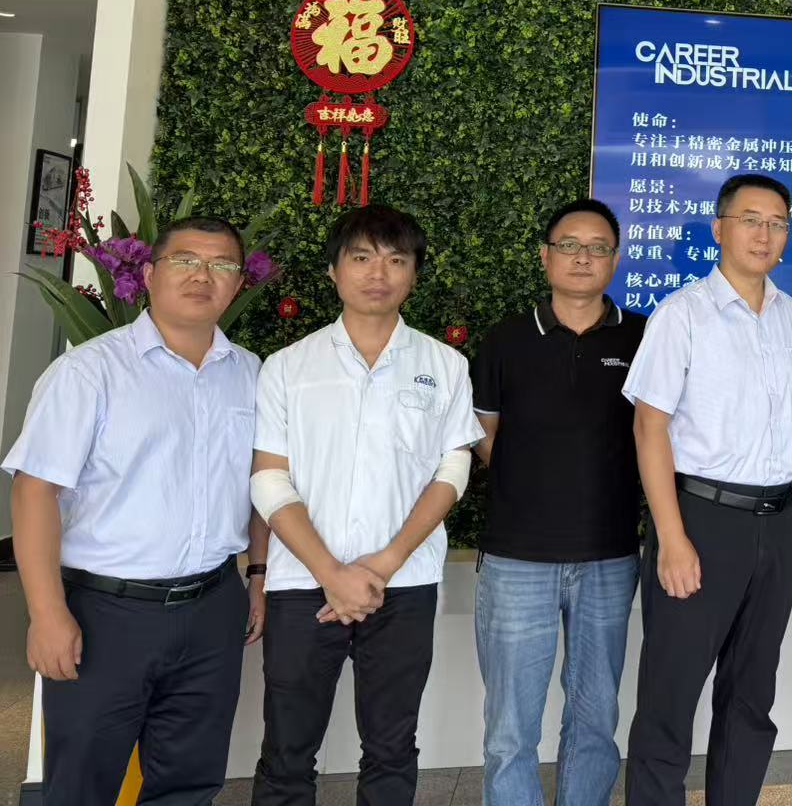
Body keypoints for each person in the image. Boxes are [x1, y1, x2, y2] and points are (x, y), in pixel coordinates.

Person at [3, 216, 269, 805]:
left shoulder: (251, 374)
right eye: (185, 260)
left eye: (222, 265)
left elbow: (261, 484)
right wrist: (46, 613)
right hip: (107, 612)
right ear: (148, 274)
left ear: (237, 284)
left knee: (189, 781)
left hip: (212, 609)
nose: (203, 276)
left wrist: (256, 576)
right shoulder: (89, 371)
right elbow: (34, 491)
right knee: (82, 783)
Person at [248, 204, 483, 806]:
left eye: (396, 260)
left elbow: (452, 470)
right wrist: (332, 573)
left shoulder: (445, 365)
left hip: (403, 584)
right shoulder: (287, 367)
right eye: (361, 258)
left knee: (391, 746)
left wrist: (382, 564)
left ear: (413, 274)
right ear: (333, 271)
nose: (378, 273)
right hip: (304, 585)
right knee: (287, 749)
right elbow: (269, 480)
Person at [621, 173, 792, 806]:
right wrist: (672, 538)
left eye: (777, 223)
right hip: (703, 520)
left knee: (751, 692)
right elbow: (649, 426)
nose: (764, 234)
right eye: (750, 220)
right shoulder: (681, 314)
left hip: (780, 519)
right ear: (719, 228)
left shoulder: (791, 315)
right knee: (671, 693)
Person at [472, 198, 647, 806]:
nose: (582, 258)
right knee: (509, 730)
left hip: (609, 555)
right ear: (545, 256)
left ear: (615, 260)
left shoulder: (643, 337)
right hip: (517, 557)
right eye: (569, 245)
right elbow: (485, 435)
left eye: (598, 248)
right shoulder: (506, 339)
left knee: (596, 719)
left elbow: (660, 435)